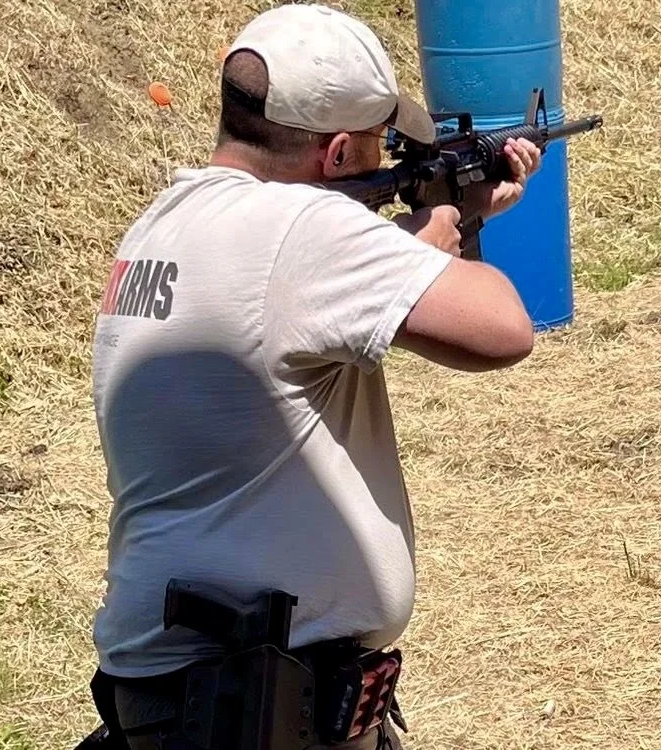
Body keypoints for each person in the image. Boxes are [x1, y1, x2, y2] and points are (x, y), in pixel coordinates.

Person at [82, 4, 542, 748]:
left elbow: (290, 308)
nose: (386, 160)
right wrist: (448, 230)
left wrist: (435, 231)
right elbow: (500, 332)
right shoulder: (303, 227)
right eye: (377, 146)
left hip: (194, 691)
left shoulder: (162, 225)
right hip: (243, 701)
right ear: (333, 156)